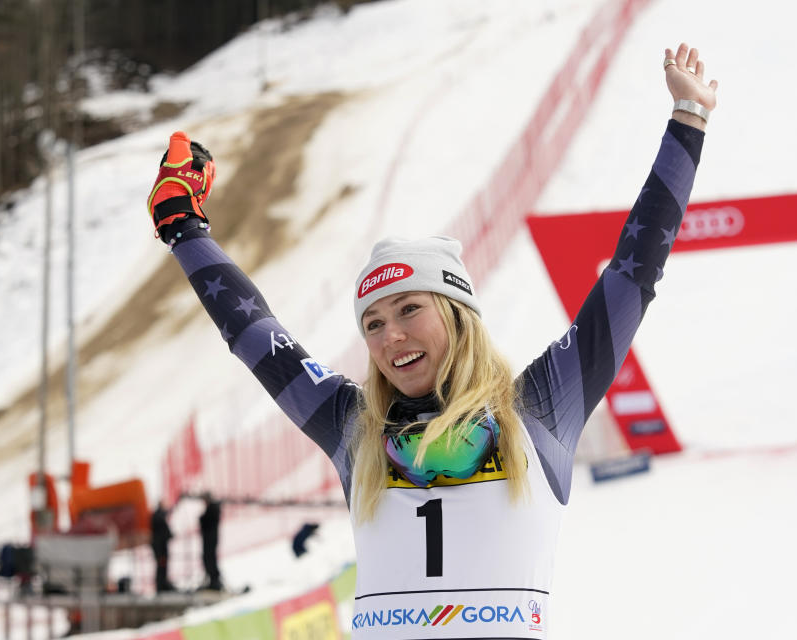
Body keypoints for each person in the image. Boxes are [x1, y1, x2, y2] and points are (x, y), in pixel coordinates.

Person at [145, 43, 717, 638]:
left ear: (458, 315)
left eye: (410, 310)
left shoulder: (539, 409)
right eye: (372, 323)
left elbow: (632, 274)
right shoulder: (355, 427)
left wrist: (688, 120)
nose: (391, 336)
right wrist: (183, 226)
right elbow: (254, 332)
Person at [198, 492, 223, 591]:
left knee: (210, 558)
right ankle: (212, 580)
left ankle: (214, 581)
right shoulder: (212, 508)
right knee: (208, 558)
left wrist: (202, 518)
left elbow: (205, 521)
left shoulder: (212, 509)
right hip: (209, 539)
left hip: (210, 539)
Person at [149, 501, 175, 593]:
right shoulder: (158, 516)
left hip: (160, 548)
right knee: (161, 566)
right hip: (160, 549)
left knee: (162, 566)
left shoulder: (158, 516)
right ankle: (161, 585)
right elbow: (164, 531)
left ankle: (162, 584)